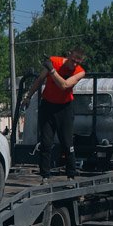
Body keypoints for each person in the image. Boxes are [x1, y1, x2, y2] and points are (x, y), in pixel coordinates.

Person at [23, 48, 86, 179]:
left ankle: (71, 175)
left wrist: (52, 71)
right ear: (69, 55)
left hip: (65, 108)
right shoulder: (54, 61)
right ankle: (45, 176)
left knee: (68, 144)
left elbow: (64, 85)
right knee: (46, 143)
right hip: (48, 105)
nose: (74, 64)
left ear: (81, 61)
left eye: (77, 62)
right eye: (73, 60)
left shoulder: (80, 72)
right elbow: (40, 80)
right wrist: (28, 96)